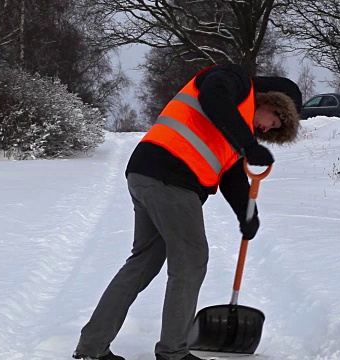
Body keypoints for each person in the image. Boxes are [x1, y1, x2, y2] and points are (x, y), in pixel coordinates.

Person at [72, 64, 302, 360]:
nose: (269, 129)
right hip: (171, 177)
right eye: (276, 120)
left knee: (143, 262)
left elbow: (231, 175)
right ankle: (173, 352)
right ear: (272, 100)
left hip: (147, 173)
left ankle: (92, 347)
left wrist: (248, 214)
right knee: (191, 260)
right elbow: (212, 94)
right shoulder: (234, 81)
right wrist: (247, 143)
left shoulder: (237, 125)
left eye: (277, 130)